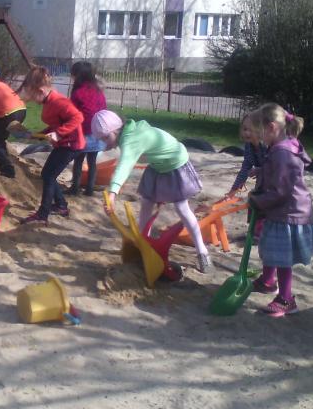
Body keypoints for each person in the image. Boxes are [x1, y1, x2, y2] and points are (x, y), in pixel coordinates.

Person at [93, 110, 213, 273]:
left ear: (116, 130)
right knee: (146, 203)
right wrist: (109, 143)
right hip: (157, 165)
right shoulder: (128, 130)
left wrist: (113, 193)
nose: (104, 142)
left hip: (175, 163)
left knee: (182, 208)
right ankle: (144, 243)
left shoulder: (131, 139)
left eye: (106, 137)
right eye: (101, 139)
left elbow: (124, 166)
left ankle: (202, 252)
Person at [248, 104, 313, 317]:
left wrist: (258, 201)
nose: (259, 139)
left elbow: (281, 191)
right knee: (271, 248)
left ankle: (286, 300)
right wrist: (262, 170)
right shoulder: (284, 145)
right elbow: (279, 172)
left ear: (271, 127)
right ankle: (268, 281)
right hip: (282, 211)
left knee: (282, 258)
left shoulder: (282, 153)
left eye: (260, 133)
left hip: (288, 214)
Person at [19, 66, 85, 225]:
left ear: (41, 91)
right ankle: (61, 206)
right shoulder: (49, 101)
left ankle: (42, 214)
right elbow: (57, 122)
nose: (31, 99)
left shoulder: (59, 101)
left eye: (32, 95)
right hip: (64, 143)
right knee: (47, 174)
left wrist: (58, 133)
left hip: (71, 145)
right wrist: (41, 134)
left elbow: (78, 117)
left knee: (49, 175)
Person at [66, 61, 108, 196]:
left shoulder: (78, 92)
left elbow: (72, 113)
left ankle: (75, 187)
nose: (72, 77)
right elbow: (104, 109)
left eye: (73, 74)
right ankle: (89, 189)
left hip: (83, 132)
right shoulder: (98, 91)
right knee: (92, 161)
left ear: (78, 75)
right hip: (98, 131)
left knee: (78, 160)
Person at [227, 112, 267, 198]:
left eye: (251, 130)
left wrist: (260, 170)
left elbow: (277, 168)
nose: (247, 133)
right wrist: (234, 190)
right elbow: (245, 169)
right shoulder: (249, 146)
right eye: (245, 129)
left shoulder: (267, 146)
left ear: (259, 130)